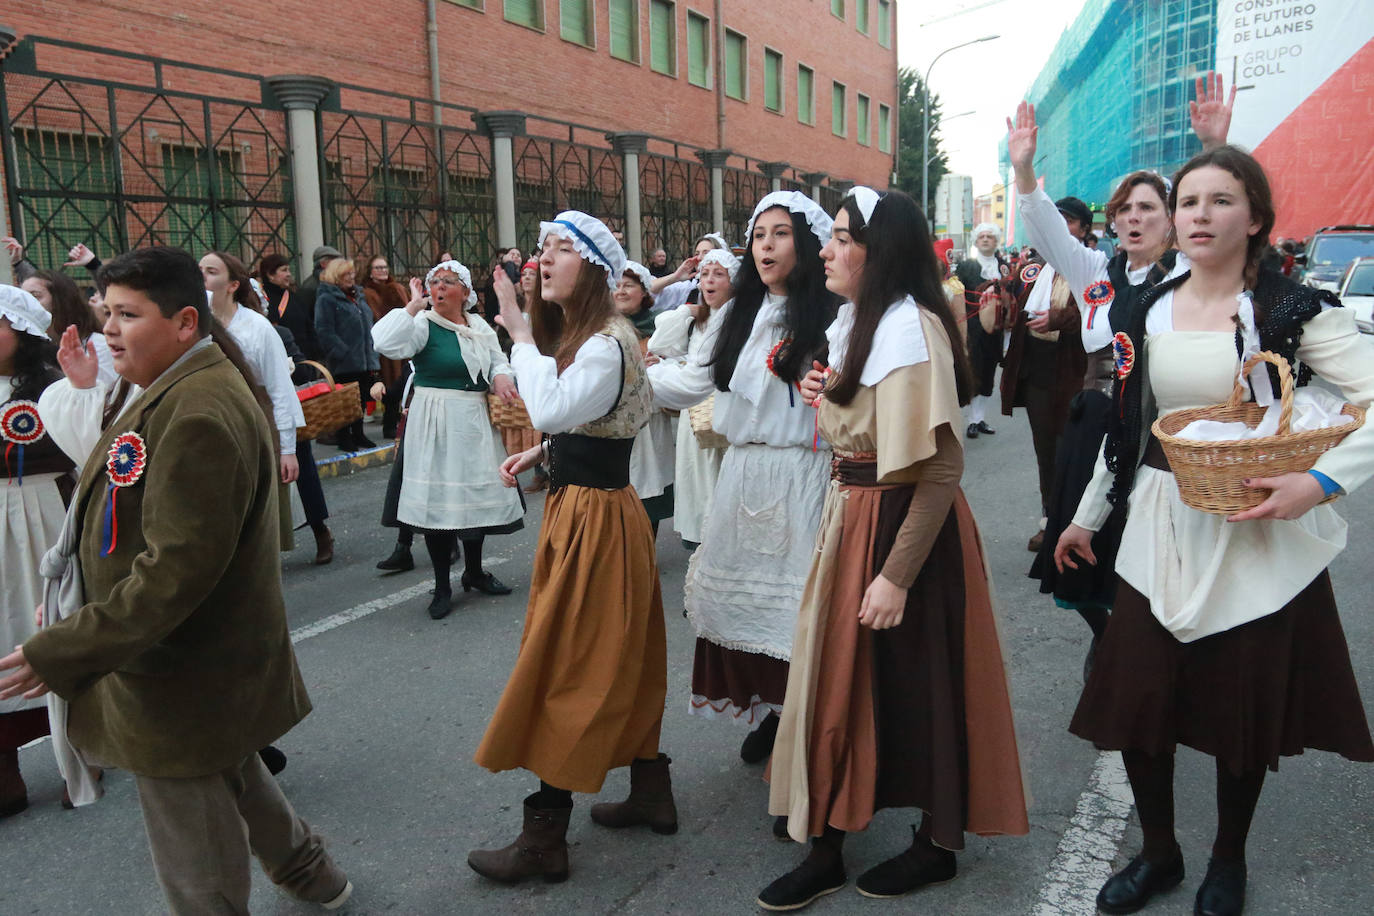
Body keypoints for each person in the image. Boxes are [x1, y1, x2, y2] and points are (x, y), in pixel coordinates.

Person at [1055, 146, 1374, 916]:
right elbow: (1130, 428)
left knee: (1240, 711)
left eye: (1221, 200)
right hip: (1160, 521)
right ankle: (1159, 853)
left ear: (1256, 218)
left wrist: (1320, 481)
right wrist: (1087, 515)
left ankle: (1226, 861)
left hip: (1255, 527)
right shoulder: (1144, 308)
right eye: (1189, 200)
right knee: (1135, 701)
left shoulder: (1295, 309)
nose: (1200, 214)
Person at [0, 247, 352, 913]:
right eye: (107, 312)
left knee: (194, 853)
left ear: (186, 322)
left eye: (127, 314)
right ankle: (314, 876)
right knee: (233, 769)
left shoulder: (194, 410)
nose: (108, 329)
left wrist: (68, 647)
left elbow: (173, 575)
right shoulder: (172, 386)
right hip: (190, 660)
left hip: (179, 661)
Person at [760, 186, 1029, 910]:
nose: (827, 248)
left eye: (842, 237)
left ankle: (930, 843)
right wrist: (825, 389)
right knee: (838, 678)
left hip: (903, 526)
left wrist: (895, 576)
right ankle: (826, 839)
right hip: (854, 515)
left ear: (881, 254)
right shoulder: (863, 321)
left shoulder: (911, 329)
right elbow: (864, 419)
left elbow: (939, 469)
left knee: (915, 686)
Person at [469, 211, 673, 884]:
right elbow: (583, 422)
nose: (543, 259)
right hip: (591, 509)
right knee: (621, 657)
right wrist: (544, 450)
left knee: (567, 663)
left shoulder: (606, 343)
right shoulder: (598, 338)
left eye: (560, 249)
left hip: (595, 520)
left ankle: (543, 839)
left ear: (591, 266)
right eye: (541, 248)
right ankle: (650, 790)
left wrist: (518, 332)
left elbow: (554, 405)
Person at [1010, 73, 1234, 677]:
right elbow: (1045, 229)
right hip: (1094, 421)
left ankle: (1152, 636)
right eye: (1124, 210)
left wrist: (1214, 147)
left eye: (1148, 209)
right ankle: (1106, 632)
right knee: (1078, 542)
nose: (1134, 219)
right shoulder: (1094, 272)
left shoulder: (1187, 275)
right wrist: (1025, 171)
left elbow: (1221, 211)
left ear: (1170, 220)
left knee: (1147, 540)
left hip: (1159, 426)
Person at [646, 191, 837, 760]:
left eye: (780, 234)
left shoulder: (832, 315)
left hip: (804, 473)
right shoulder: (737, 312)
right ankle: (773, 714)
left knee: (797, 608)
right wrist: (623, 380)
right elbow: (690, 381)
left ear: (806, 244)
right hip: (744, 471)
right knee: (744, 607)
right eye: (758, 235)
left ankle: (803, 728)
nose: (766, 246)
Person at [370, 259, 524, 619]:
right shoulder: (423, 325)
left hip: (472, 420)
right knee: (440, 503)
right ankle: (442, 585)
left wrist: (501, 376)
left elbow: (497, 358)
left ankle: (474, 571)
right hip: (435, 422)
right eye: (434, 281)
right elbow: (385, 341)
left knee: (473, 497)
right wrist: (411, 306)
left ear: (465, 292)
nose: (438, 286)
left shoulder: (478, 325)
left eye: (448, 281)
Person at [0, 287, 75, 818]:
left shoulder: (53, 385)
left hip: (47, 510)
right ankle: (6, 770)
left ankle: (81, 751)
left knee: (55, 624)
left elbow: (75, 443)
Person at [997, 197, 1091, 552]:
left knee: (1072, 448)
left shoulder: (1092, 266)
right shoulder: (1034, 268)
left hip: (1073, 369)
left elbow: (1099, 314)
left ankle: (1077, 522)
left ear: (1083, 229)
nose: (1058, 227)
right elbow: (1016, 315)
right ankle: (1050, 520)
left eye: (1066, 221)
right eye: (1053, 220)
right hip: (1037, 368)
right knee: (1046, 449)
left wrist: (1058, 319)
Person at [646, 248, 737, 548]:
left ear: (732, 281)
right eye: (705, 274)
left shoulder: (736, 321)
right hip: (692, 413)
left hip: (721, 416)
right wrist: (687, 310)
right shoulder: (698, 318)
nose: (709, 281)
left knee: (718, 480)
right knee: (697, 478)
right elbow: (659, 344)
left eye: (718, 274)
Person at [616, 260, 675, 534]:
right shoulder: (602, 326)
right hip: (614, 422)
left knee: (651, 487)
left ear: (644, 291)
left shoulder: (661, 324)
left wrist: (662, 362)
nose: (621, 291)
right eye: (616, 286)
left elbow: (679, 364)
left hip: (649, 422)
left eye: (628, 285)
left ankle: (645, 555)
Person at [313, 257, 379, 451]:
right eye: (346, 274)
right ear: (336, 276)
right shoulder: (327, 298)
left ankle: (358, 434)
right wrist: (341, 352)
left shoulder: (357, 296)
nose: (351, 277)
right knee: (344, 402)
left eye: (352, 273)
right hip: (344, 360)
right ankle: (344, 437)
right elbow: (324, 329)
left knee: (359, 399)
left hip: (364, 357)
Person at [954, 226, 1013, 438]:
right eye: (982, 237)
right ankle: (971, 419)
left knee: (988, 372)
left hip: (995, 330)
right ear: (976, 241)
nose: (986, 240)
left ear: (996, 241)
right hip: (972, 328)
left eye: (990, 237)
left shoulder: (1004, 267)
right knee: (973, 372)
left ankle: (979, 418)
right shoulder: (966, 266)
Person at [21, 269, 117, 386]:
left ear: (59, 300)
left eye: (35, 296)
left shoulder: (97, 344)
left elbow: (105, 394)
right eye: (23, 297)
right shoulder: (27, 346)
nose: (26, 303)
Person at [359, 253, 410, 439]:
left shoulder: (396, 288)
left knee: (399, 383)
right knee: (385, 384)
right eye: (378, 268)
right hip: (381, 343)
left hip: (401, 342)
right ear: (370, 272)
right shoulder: (366, 293)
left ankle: (395, 421)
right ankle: (388, 424)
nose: (382, 271)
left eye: (384, 267)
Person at [649, 232, 730, 314]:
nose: (699, 258)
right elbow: (649, 289)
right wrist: (675, 277)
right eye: (697, 253)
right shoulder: (691, 289)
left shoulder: (730, 290)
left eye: (706, 253)